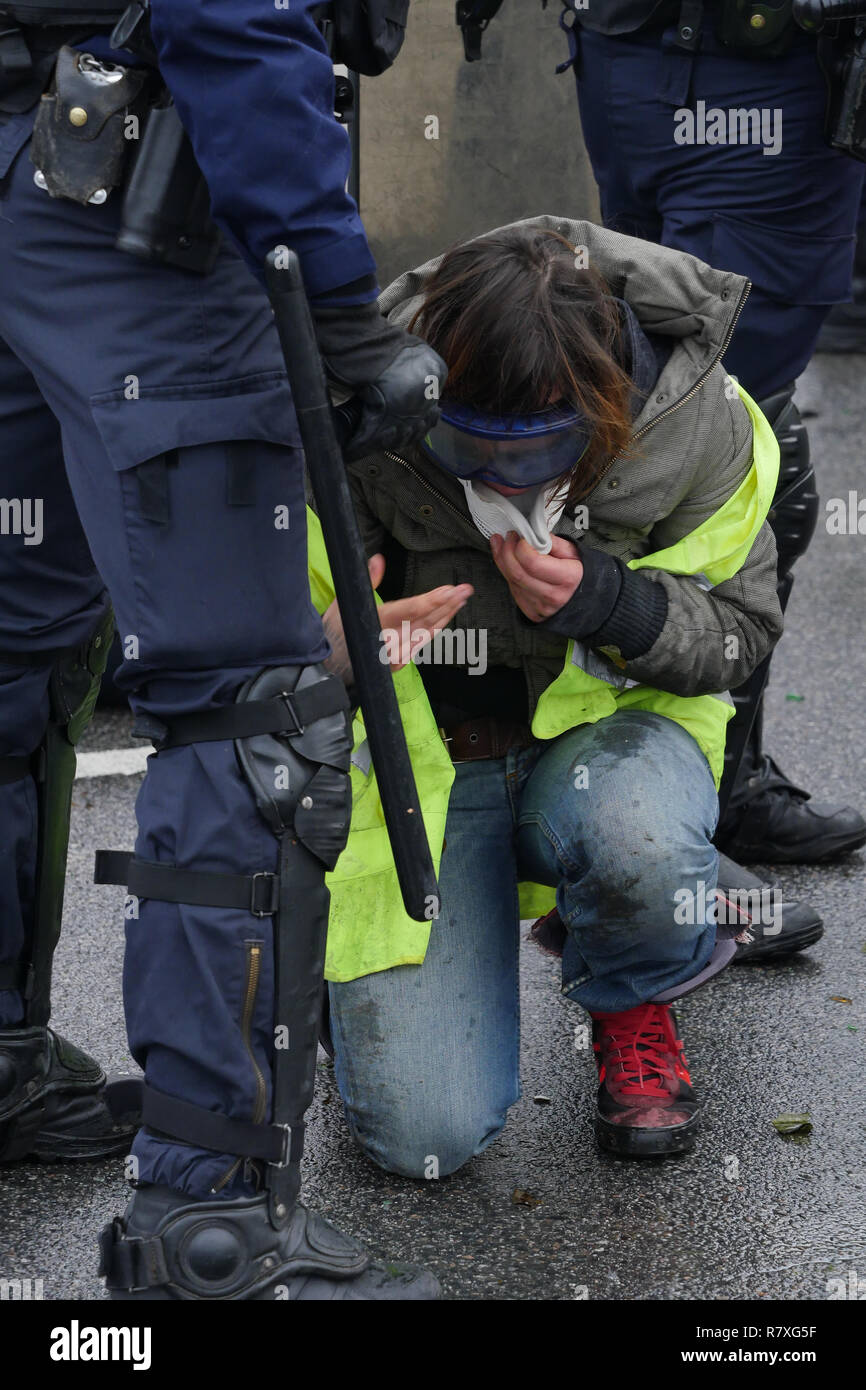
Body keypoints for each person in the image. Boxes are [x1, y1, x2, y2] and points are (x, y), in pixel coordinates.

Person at [0, 0, 446, 1300]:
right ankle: (211, 1223)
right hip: (130, 209)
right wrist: (335, 285)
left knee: (16, 652)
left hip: (32, 188)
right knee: (247, 713)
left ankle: (11, 1058)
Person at [309, 217, 814, 1174]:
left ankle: (634, 980)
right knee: (425, 1137)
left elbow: (741, 635)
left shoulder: (695, 418)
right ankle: (402, 980)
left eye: (535, 453)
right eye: (470, 448)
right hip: (431, 772)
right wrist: (329, 653)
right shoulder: (360, 406)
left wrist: (608, 602)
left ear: (602, 405)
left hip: (606, 754)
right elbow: (239, 643)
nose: (502, 479)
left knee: (637, 844)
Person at [553, 0, 866, 874]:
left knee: (662, 404)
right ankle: (681, 822)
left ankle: (667, 799)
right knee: (724, 439)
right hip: (751, 68)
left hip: (639, 60)